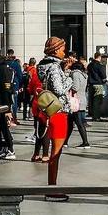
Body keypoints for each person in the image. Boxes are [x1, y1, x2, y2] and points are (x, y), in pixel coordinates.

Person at [37, 37, 72, 201]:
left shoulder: (43, 66)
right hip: (58, 111)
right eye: (62, 49)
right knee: (56, 152)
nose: (64, 52)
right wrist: (69, 78)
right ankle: (52, 187)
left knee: (55, 151)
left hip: (49, 111)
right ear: (56, 50)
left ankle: (52, 185)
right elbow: (59, 89)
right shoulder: (54, 67)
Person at [64, 56, 92, 149]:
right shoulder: (83, 75)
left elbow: (75, 87)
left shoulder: (75, 74)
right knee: (70, 122)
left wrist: (67, 87)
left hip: (75, 101)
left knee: (79, 123)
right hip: (81, 99)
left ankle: (85, 142)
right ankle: (65, 141)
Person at [87, 52, 108, 122]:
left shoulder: (90, 65)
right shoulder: (99, 65)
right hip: (98, 84)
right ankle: (96, 116)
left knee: (91, 100)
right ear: (99, 57)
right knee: (97, 101)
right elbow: (103, 75)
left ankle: (92, 114)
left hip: (91, 84)